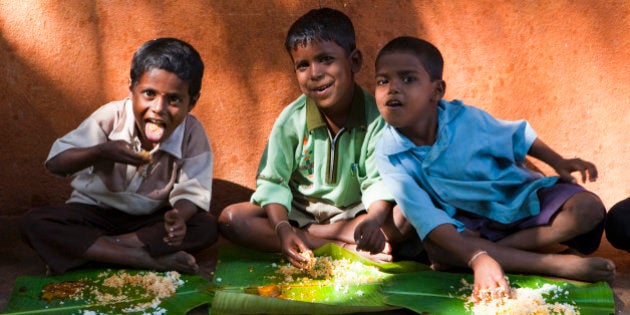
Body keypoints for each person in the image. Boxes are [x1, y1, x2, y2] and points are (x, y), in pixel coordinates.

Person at [372, 36, 615, 300]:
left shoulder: (465, 119)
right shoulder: (388, 151)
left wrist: (558, 161)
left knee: (587, 209)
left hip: (517, 197)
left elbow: (518, 136)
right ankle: (559, 264)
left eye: (407, 79)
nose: (392, 88)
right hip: (467, 220)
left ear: (437, 91)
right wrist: (475, 256)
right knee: (438, 246)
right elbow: (426, 217)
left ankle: (491, 255)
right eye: (383, 81)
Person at [218, 8, 414, 269]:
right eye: (303, 65)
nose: (314, 73)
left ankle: (319, 236)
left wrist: (373, 221)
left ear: (354, 61)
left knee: (406, 216)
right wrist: (281, 227)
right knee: (232, 218)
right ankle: (339, 248)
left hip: (356, 215)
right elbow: (273, 183)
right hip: (300, 215)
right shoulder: (292, 120)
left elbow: (378, 183)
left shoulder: (376, 118)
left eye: (325, 59)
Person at [20, 38, 217, 275]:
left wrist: (177, 219)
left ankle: (96, 252)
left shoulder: (192, 133)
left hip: (146, 224)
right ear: (132, 88)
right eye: (149, 94)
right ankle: (139, 258)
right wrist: (101, 152)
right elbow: (56, 162)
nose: (159, 108)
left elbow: (192, 192)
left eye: (174, 99)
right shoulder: (111, 117)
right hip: (94, 214)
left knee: (205, 226)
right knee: (35, 223)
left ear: (192, 102)